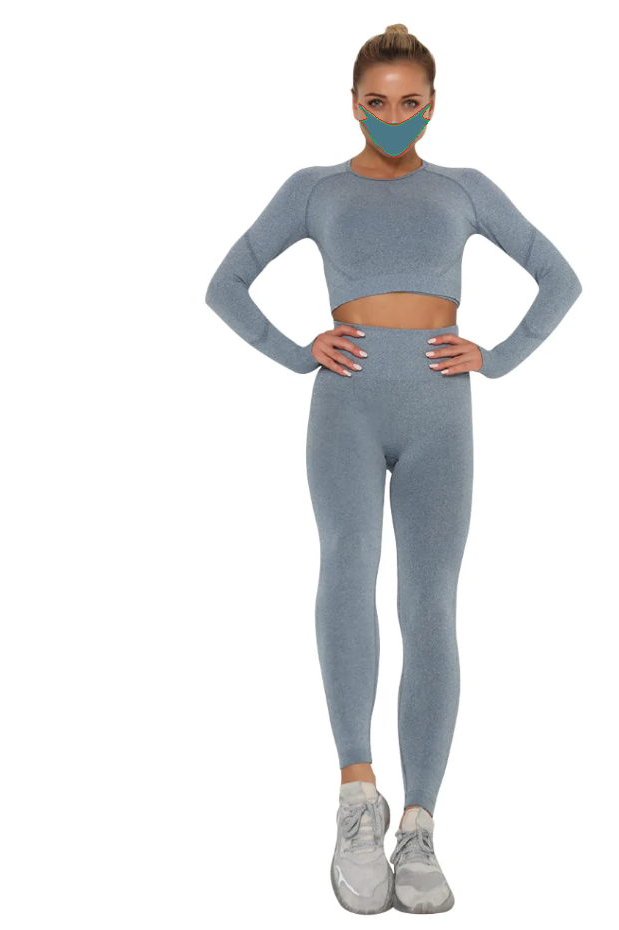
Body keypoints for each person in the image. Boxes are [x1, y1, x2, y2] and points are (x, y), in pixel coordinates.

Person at [204, 23, 582, 915]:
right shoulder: (316, 189)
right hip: (346, 407)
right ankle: (356, 796)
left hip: (441, 415)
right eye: (377, 102)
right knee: (347, 568)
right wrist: (297, 352)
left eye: (410, 102)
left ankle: (420, 823)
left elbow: (559, 278)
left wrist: (500, 357)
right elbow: (226, 284)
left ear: (433, 105)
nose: (394, 116)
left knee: (431, 602)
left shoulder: (464, 188)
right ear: (353, 103)